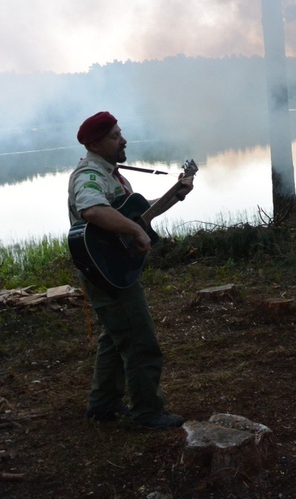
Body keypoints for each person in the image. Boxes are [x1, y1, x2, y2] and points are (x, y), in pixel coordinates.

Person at [67, 111, 193, 428]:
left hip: (112, 269)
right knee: (140, 341)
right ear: (95, 143)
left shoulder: (112, 175)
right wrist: (136, 233)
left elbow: (136, 215)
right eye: (114, 136)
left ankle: (103, 405)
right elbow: (93, 209)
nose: (123, 140)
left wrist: (174, 194)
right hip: (107, 270)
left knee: (115, 336)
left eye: (121, 133)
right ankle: (148, 413)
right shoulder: (90, 175)